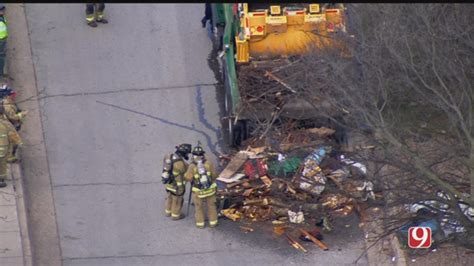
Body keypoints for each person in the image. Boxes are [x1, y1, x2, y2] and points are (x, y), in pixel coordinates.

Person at [185, 144, 219, 228]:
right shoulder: (209, 163)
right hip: (210, 190)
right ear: (202, 155)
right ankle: (213, 222)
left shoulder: (192, 166)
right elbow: (215, 175)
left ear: (193, 155)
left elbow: (188, 177)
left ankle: (200, 224)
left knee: (199, 207)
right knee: (211, 206)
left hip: (198, 191)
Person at [161, 143, 192, 220]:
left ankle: (168, 212)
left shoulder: (168, 156)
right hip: (177, 186)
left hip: (168, 183)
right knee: (177, 200)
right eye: (187, 153)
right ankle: (175, 215)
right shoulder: (180, 164)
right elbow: (185, 172)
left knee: (169, 197)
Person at [0, 104, 22, 188]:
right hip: (4, 150)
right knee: (2, 165)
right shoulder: (6, 124)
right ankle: (1, 180)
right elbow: (13, 135)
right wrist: (19, 142)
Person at [0, 5, 8, 79]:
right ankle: (1, 73)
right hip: (1, 41)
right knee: (1, 57)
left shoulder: (2, 17)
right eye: (1, 10)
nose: (3, 11)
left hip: (3, 39)